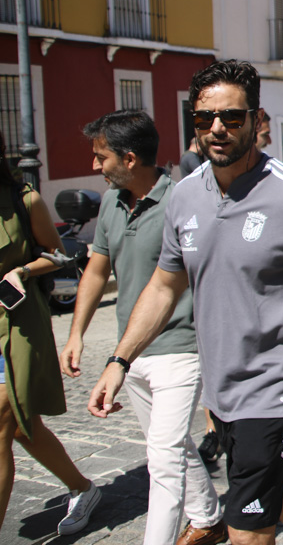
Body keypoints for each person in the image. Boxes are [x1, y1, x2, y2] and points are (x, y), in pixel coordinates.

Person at [86, 60, 283, 545]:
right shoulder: (182, 198)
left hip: (274, 386)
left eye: (231, 118)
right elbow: (163, 286)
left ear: (256, 120)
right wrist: (120, 359)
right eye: (204, 119)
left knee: (247, 532)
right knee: (278, 488)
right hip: (220, 388)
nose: (217, 129)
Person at [61, 110, 225, 545]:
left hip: (181, 347)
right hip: (130, 353)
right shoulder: (111, 203)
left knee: (164, 458)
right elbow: (96, 272)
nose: (95, 166)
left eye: (101, 157)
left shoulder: (184, 201)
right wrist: (77, 333)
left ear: (130, 158)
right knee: (170, 445)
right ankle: (208, 519)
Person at [0, 136, 100, 537]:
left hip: (16, 324)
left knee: (3, 424)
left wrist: (21, 272)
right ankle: (82, 487)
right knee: (24, 427)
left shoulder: (23, 201)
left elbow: (57, 255)